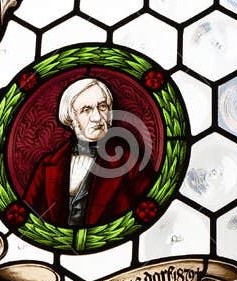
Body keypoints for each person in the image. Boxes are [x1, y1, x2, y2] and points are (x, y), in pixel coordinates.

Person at [23, 77, 151, 226]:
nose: (97, 117)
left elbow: (149, 212)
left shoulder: (131, 161)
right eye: (86, 110)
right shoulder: (47, 165)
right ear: (71, 118)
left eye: (102, 107)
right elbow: (25, 218)